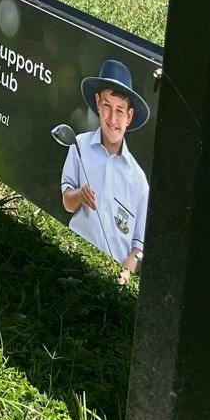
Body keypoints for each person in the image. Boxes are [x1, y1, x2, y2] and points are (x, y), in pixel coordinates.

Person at [59, 59, 152, 281]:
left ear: (129, 116)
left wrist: (126, 272)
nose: (112, 119)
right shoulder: (79, 146)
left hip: (110, 275)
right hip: (73, 259)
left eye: (120, 110)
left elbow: (138, 247)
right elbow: (66, 202)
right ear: (98, 103)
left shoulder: (139, 181)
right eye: (107, 106)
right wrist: (80, 195)